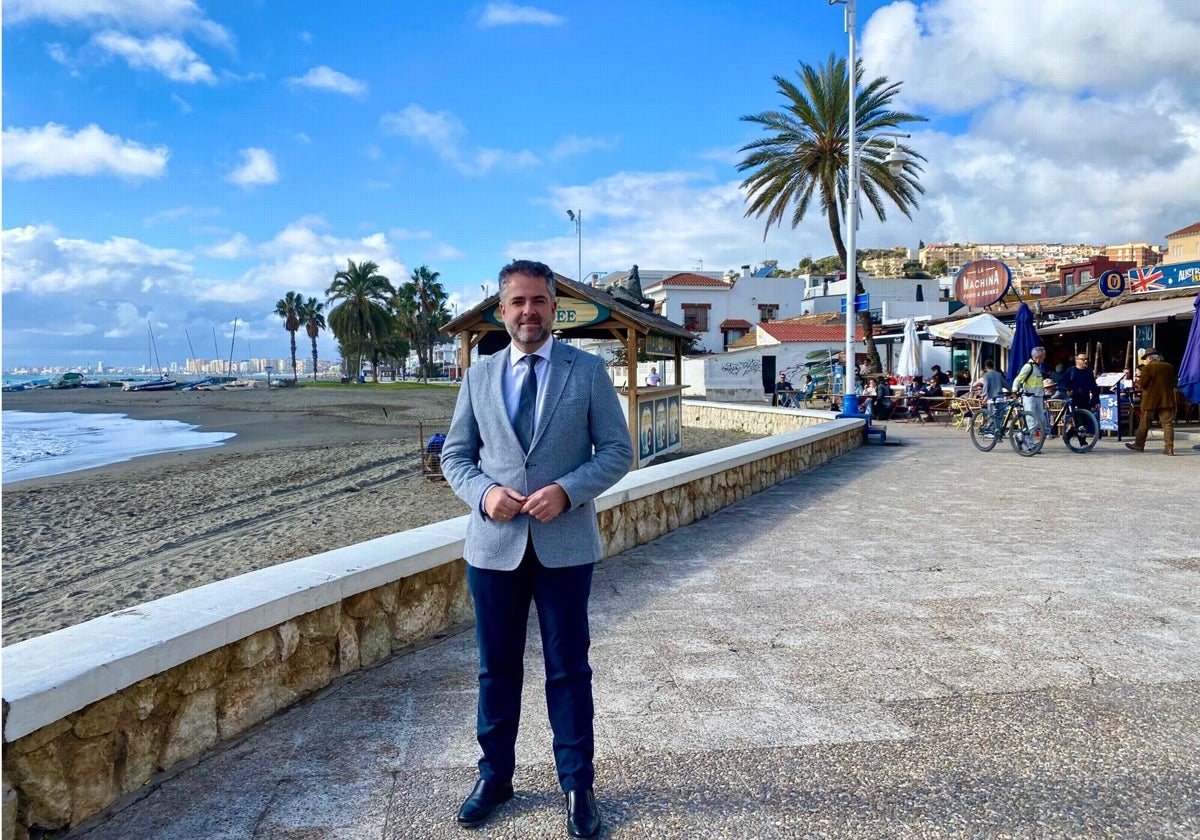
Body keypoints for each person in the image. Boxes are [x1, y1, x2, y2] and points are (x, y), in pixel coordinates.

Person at [439, 259, 634, 837]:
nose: (528, 311)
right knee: (495, 671)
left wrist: (567, 491)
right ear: (502, 311)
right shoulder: (478, 376)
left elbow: (617, 451)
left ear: (554, 309)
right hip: (493, 549)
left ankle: (577, 786)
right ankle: (495, 778)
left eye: (539, 301)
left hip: (565, 547)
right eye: (517, 302)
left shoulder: (589, 371)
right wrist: (485, 494)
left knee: (569, 669)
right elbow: (455, 456)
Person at [1125, 348, 1177, 455]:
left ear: (1150, 358)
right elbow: (1173, 383)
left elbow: (1142, 384)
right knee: (1167, 424)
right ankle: (1169, 448)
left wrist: (1139, 381)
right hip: (1166, 399)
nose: (1145, 361)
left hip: (1150, 400)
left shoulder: (1149, 368)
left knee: (1144, 423)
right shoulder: (1169, 367)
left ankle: (1139, 444)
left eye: (1146, 359)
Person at [1012, 345, 1048, 442]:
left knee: (1041, 420)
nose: (1044, 358)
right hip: (1029, 397)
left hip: (1038, 396)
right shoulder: (1028, 366)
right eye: (1043, 356)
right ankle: (1030, 445)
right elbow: (1018, 379)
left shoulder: (1038, 367)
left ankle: (1021, 436)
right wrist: (1014, 391)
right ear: (1038, 357)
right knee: (1031, 421)